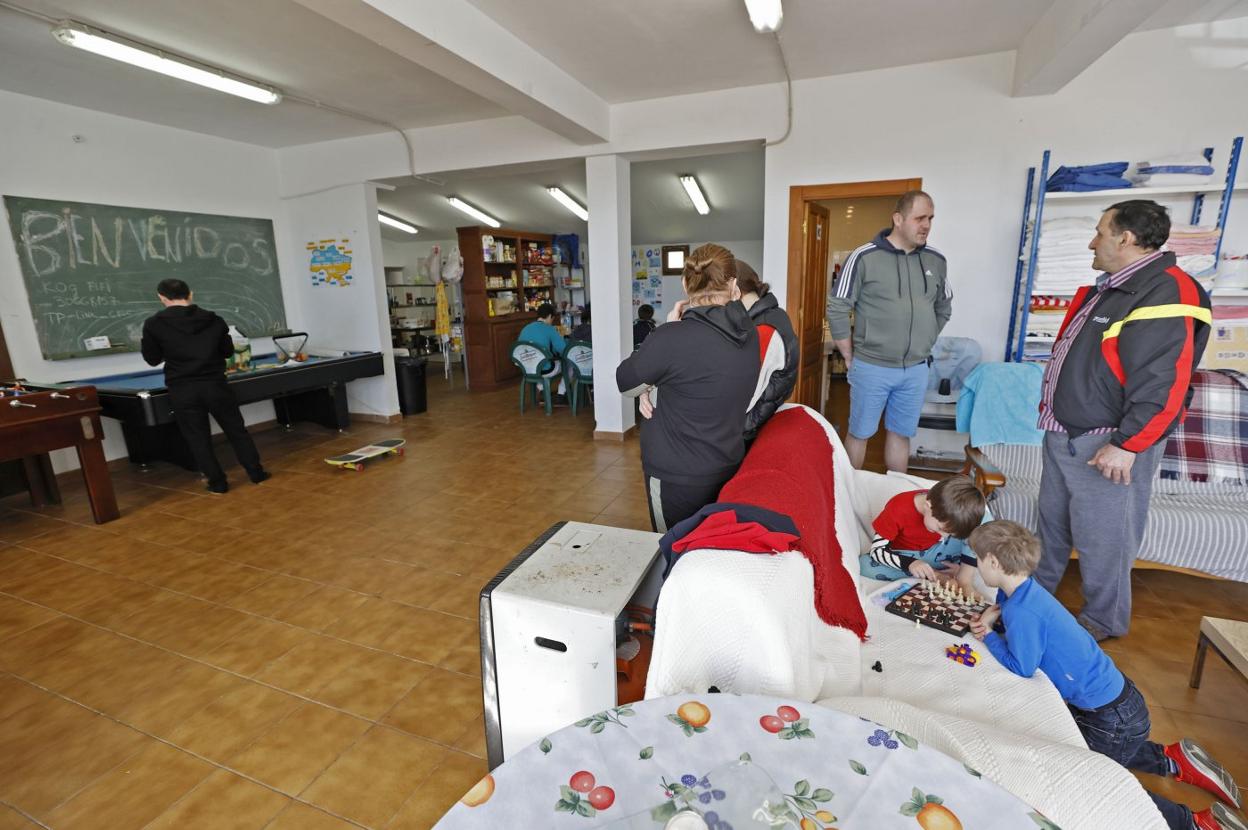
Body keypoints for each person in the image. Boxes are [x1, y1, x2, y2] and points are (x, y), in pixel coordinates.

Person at [969, 521, 1244, 830]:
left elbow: (1022, 667)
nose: (977, 566)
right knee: (1087, 746)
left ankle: (1194, 823)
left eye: (978, 559)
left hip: (1111, 719)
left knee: (1096, 781)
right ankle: (1173, 759)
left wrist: (990, 635)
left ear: (994, 562)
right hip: (1117, 704)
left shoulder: (1022, 611)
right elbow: (1018, 617)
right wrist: (995, 614)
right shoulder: (1026, 592)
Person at [1032, 200, 1211, 641]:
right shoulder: (1112, 288)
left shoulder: (1168, 291)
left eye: (1100, 232)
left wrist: (1128, 444)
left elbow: (1164, 383)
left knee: (1104, 541)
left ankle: (1101, 621)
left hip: (1106, 444)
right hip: (1067, 434)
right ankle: (1032, 603)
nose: (1093, 242)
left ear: (1125, 238)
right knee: (1050, 530)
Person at [616, 244, 759, 532]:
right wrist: (654, 376)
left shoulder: (671, 338)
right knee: (708, 548)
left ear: (685, 284)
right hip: (726, 464)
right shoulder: (750, 334)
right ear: (733, 286)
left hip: (675, 474)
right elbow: (698, 373)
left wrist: (663, 337)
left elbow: (626, 380)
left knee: (672, 548)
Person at [826, 190, 951, 472]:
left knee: (901, 434)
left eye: (930, 218)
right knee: (859, 433)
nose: (927, 225)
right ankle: (849, 497)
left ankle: (896, 498)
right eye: (920, 218)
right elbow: (837, 306)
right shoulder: (863, 257)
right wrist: (848, 356)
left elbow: (944, 306)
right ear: (898, 218)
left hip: (916, 369)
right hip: (871, 366)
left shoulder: (936, 261)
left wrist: (926, 339)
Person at [140, 279, 269, 494]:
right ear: (190, 293)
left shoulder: (154, 324)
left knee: (197, 437)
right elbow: (227, 351)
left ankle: (217, 483)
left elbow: (152, 359)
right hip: (215, 384)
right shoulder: (213, 319)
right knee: (236, 430)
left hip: (182, 387)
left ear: (161, 297)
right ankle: (256, 472)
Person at [859, 475, 984, 595]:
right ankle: (935, 574)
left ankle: (964, 577)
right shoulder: (898, 508)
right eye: (940, 529)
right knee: (865, 565)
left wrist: (964, 571)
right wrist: (910, 563)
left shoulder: (946, 509)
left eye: (950, 533)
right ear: (928, 506)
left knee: (983, 521)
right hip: (906, 555)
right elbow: (876, 551)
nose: (944, 536)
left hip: (938, 551)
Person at [737, 260, 797, 440]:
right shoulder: (771, 314)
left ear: (735, 292)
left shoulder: (763, 329)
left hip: (747, 428)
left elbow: (748, 395)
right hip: (754, 420)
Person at [518, 302, 569, 404]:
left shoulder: (525, 329)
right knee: (570, 363)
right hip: (546, 370)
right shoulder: (550, 329)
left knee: (537, 361)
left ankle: (542, 390)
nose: (552, 322)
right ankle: (561, 393)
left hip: (528, 369)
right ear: (550, 316)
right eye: (552, 319)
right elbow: (563, 350)